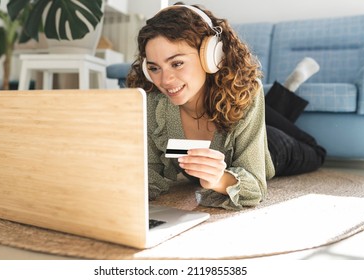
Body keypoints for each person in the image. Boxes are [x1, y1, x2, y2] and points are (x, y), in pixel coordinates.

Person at [126, 3, 326, 210]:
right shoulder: (155, 102)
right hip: (233, 117)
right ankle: (285, 91)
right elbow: (149, 172)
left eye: (177, 63)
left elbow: (255, 186)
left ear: (211, 56)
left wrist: (220, 179)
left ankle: (287, 90)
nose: (165, 80)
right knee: (254, 114)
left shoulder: (243, 91)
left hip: (270, 145)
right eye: (154, 68)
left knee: (315, 151)